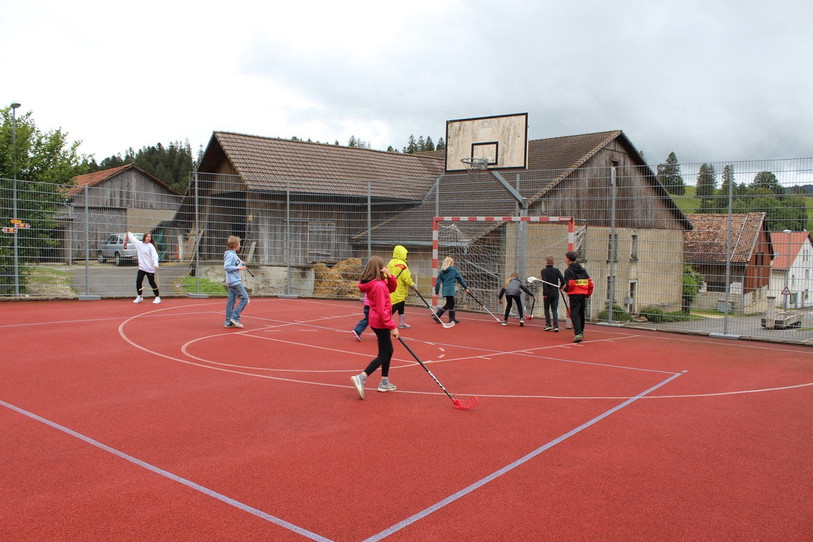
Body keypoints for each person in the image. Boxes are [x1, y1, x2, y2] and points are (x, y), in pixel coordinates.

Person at [350, 256, 399, 399]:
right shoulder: (378, 286)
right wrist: (393, 327)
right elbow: (383, 309)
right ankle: (362, 377)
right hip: (380, 322)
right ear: (379, 268)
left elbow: (391, 288)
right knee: (383, 354)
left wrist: (390, 276)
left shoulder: (377, 283)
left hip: (377, 320)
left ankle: (384, 381)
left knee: (389, 350)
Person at [562, 250, 593, 343]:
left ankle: (578, 333)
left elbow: (570, 284)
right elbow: (590, 283)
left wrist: (565, 289)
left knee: (575, 314)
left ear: (568, 259)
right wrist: (588, 293)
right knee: (581, 313)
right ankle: (581, 331)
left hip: (574, 295)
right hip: (583, 294)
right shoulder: (583, 270)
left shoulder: (568, 271)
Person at [126, 231, 160, 304]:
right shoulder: (139, 244)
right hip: (142, 268)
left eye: (150, 237)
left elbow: (154, 256)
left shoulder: (151, 246)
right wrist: (129, 234)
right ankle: (140, 296)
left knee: (152, 283)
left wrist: (155, 264)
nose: (149, 238)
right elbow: (133, 239)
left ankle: (157, 297)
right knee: (138, 281)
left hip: (150, 268)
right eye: (147, 237)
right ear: (144, 237)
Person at [433, 256, 470, 324]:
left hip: (445, 290)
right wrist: (465, 287)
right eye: (452, 263)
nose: (453, 264)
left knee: (451, 303)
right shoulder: (453, 270)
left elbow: (438, 282)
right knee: (449, 304)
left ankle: (452, 318)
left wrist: (437, 291)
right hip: (450, 290)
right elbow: (460, 279)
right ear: (450, 263)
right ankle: (437, 315)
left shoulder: (441, 271)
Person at [223, 235, 250, 328]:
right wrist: (239, 267)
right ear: (235, 245)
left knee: (231, 301)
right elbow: (227, 267)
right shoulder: (231, 255)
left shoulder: (232, 254)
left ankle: (228, 321)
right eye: (239, 243)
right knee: (245, 298)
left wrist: (239, 263)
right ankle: (235, 317)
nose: (240, 245)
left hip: (231, 281)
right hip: (234, 281)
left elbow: (232, 263)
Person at [387, 245, 415, 329]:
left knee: (401, 304)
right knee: (397, 304)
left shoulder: (391, 263)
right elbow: (406, 277)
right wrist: (412, 284)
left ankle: (402, 322)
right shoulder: (402, 264)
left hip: (391, 287)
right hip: (399, 288)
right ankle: (385, 319)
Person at [541, 254, 566, 332]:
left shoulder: (544, 271)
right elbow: (563, 280)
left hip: (547, 292)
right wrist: (561, 286)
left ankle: (548, 324)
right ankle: (556, 326)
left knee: (546, 308)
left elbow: (544, 282)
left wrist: (545, 293)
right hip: (555, 292)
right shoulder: (556, 270)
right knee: (554, 309)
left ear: (546, 262)